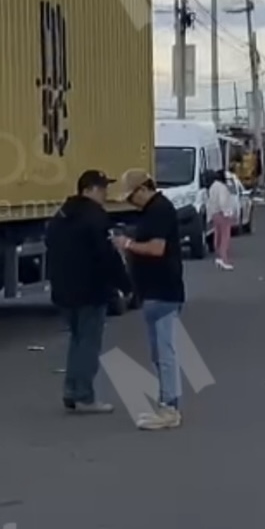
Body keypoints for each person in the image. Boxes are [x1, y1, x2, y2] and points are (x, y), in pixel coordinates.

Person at [46, 169, 132, 414]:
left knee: (77, 340)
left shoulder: (61, 216)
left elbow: (51, 247)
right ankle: (84, 395)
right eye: (103, 188)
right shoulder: (96, 218)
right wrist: (125, 285)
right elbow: (107, 256)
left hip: (64, 289)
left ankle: (71, 389)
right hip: (91, 289)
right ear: (90, 189)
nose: (106, 193)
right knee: (89, 343)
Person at [113, 169, 185, 431]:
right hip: (155, 291)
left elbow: (156, 248)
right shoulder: (153, 211)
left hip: (163, 289)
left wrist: (127, 244)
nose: (131, 201)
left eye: (132, 196)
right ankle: (166, 404)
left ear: (143, 189)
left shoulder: (159, 210)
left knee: (165, 353)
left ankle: (170, 407)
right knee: (159, 353)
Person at [205, 170, 237, 271]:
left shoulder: (212, 187)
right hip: (222, 214)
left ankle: (219, 257)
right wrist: (227, 213)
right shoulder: (222, 187)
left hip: (215, 214)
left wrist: (210, 216)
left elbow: (209, 202)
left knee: (217, 236)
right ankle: (223, 259)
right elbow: (223, 201)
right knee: (225, 237)